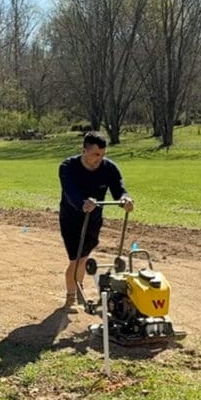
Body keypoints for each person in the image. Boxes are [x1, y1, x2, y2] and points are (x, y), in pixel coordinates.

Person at [59, 132, 134, 310]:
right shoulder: (68, 167)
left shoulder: (109, 168)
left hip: (94, 219)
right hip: (71, 218)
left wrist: (125, 199)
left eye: (102, 154)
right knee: (76, 259)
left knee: (83, 259)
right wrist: (82, 203)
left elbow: (119, 189)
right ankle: (72, 296)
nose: (99, 158)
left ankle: (78, 289)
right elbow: (70, 192)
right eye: (95, 154)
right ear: (84, 150)